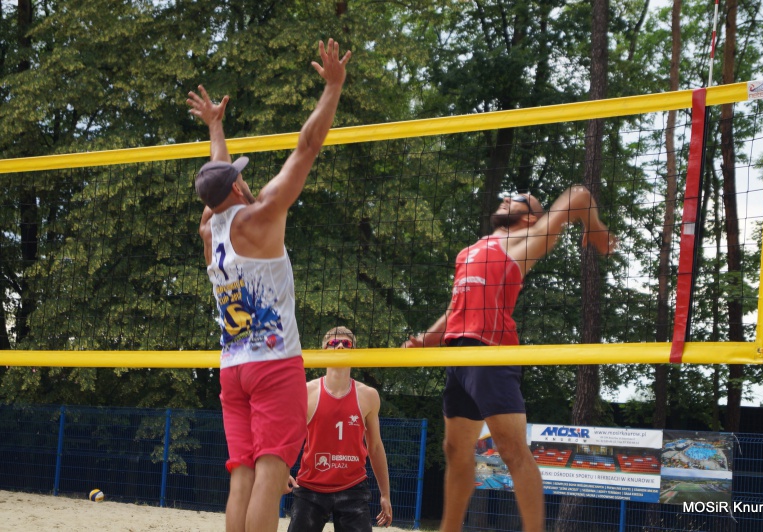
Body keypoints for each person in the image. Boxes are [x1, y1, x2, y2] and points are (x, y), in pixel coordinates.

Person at [188, 39, 351, 532]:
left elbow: (218, 181)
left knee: (241, 476)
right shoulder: (261, 216)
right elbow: (307, 146)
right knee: (271, 472)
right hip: (274, 366)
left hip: (232, 368)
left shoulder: (208, 230)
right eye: (239, 177)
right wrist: (333, 88)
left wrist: (216, 128)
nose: (243, 178)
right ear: (238, 188)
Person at [404, 187, 617, 532]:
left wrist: (595, 229)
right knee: (455, 449)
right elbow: (456, 307)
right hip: (458, 355)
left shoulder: (526, 240)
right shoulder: (470, 251)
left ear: (531, 217)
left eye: (518, 198)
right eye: (507, 195)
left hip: (491, 353)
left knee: (512, 450)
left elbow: (578, 196)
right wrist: (427, 338)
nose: (507, 198)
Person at [288, 326, 392, 531]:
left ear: (354, 351)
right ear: (323, 351)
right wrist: (283, 471)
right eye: (333, 343)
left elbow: (375, 447)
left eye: (346, 343)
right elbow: (290, 438)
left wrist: (385, 494)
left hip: (353, 487)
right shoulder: (306, 392)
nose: (340, 346)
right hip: (311, 486)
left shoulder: (368, 395)